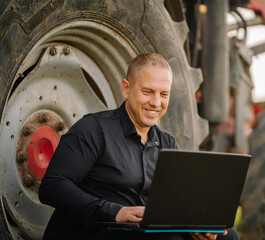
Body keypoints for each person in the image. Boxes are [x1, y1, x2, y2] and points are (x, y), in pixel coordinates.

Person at [39, 53, 240, 240]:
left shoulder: (167, 143)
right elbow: (52, 187)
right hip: (96, 230)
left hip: (143, 232)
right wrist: (114, 211)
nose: (156, 102)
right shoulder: (93, 129)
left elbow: (176, 204)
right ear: (126, 89)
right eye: (148, 92)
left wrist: (196, 225)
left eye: (164, 94)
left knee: (228, 236)